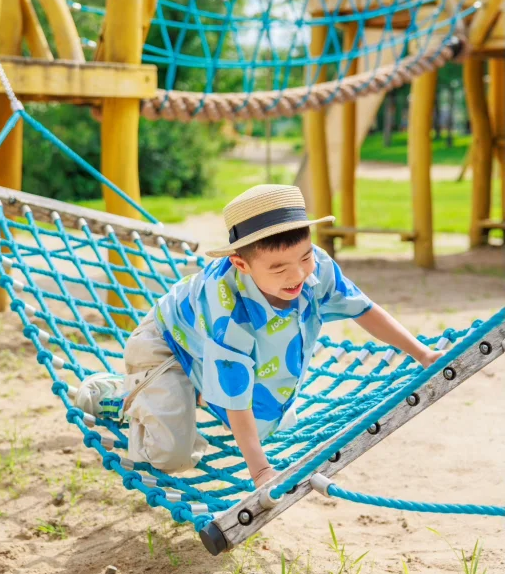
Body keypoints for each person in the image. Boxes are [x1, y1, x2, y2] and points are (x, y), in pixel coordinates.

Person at [74, 185, 437, 485]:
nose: (298, 275)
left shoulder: (316, 266)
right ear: (241, 264)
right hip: (165, 345)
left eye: (305, 257)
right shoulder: (228, 310)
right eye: (279, 268)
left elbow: (364, 309)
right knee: (172, 456)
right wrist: (260, 470)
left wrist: (422, 353)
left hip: (204, 346)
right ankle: (120, 398)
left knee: (267, 421)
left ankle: (195, 389)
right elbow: (235, 394)